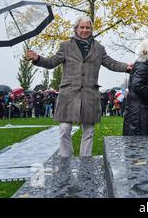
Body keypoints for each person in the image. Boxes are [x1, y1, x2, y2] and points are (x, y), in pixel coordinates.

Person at [27, 16, 132, 157]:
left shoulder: (99, 48)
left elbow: (111, 63)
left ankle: (86, 162)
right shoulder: (65, 46)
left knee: (88, 131)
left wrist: (126, 67)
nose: (84, 30)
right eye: (81, 27)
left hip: (89, 93)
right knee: (64, 129)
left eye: (87, 27)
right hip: (68, 94)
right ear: (76, 29)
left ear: (91, 29)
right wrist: (37, 58)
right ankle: (65, 159)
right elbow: (51, 62)